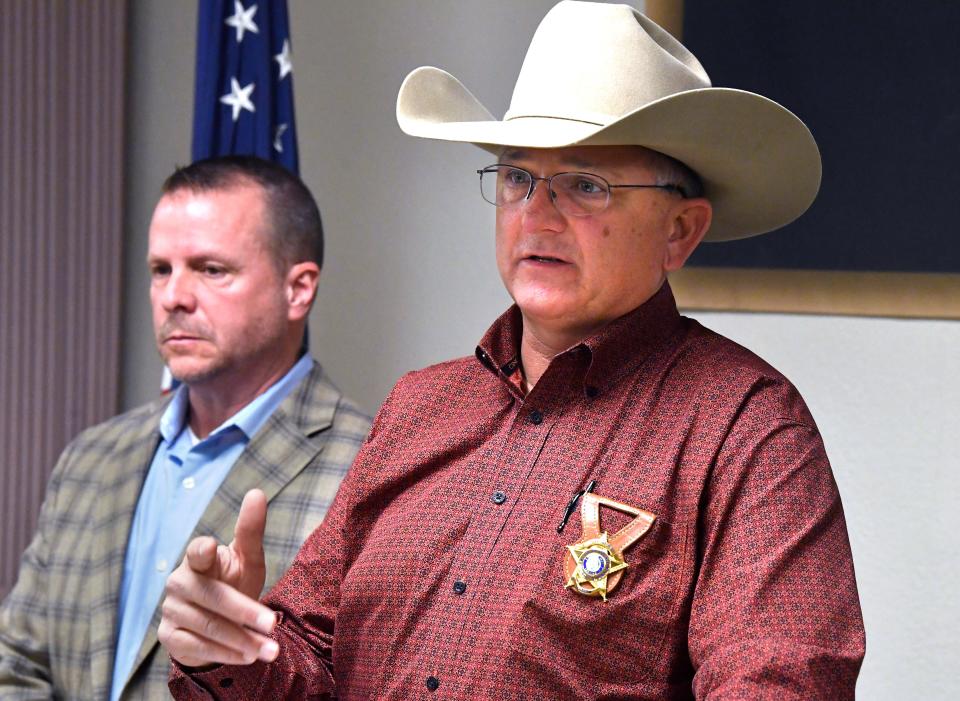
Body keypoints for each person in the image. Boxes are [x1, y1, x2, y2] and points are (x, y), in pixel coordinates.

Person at [161, 3, 865, 699]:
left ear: (680, 230)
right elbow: (308, 658)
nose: (536, 214)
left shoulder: (748, 430)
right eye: (517, 179)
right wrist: (235, 647)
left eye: (586, 185)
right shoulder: (419, 407)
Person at [0, 155, 371, 700]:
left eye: (210, 269)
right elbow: (18, 662)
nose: (174, 296)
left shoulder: (371, 470)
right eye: (160, 270)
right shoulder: (92, 457)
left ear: (298, 290)